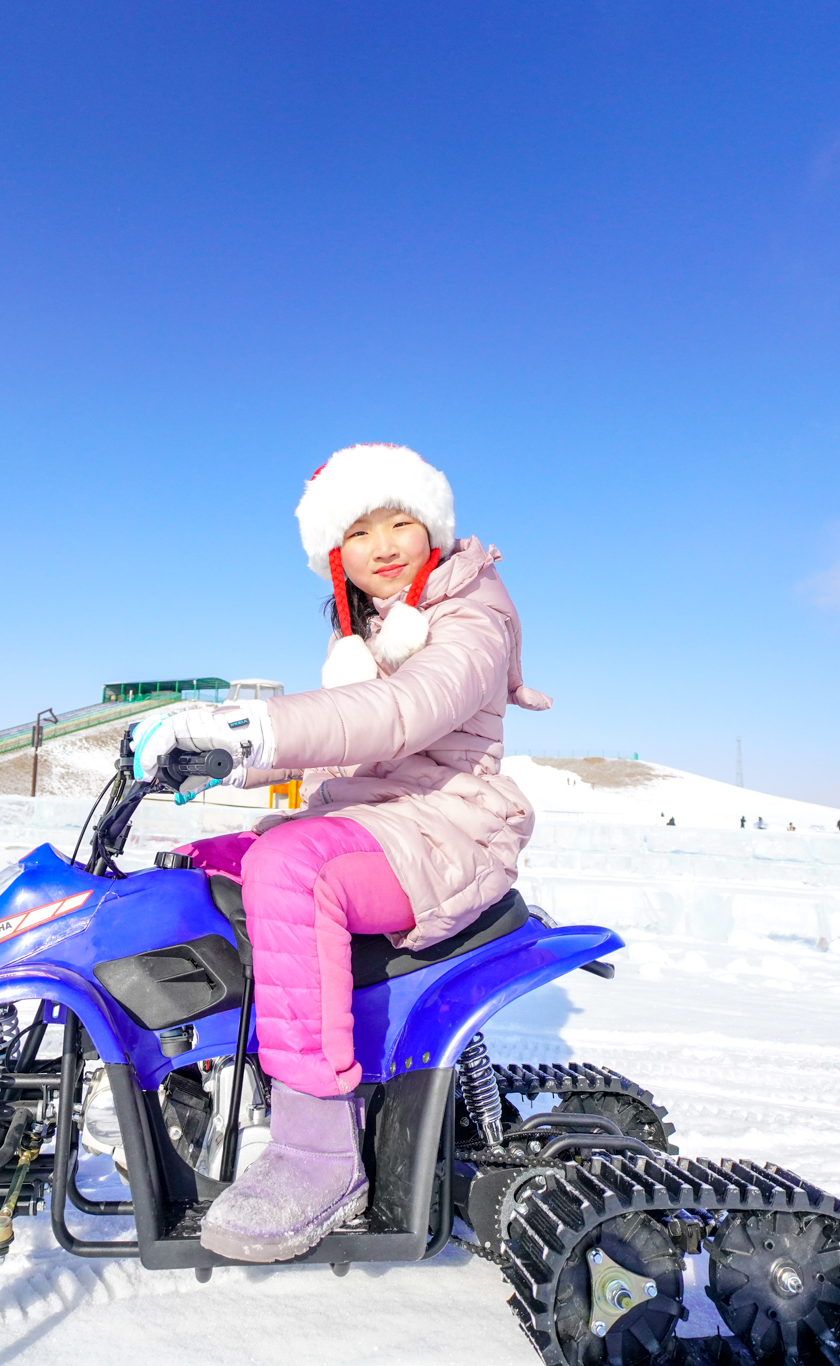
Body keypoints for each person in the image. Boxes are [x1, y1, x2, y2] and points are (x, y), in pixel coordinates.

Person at [128, 443, 549, 1263]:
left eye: (403, 522)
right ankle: (199, 1092)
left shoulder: (473, 614)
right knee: (199, 867)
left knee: (293, 868)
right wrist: (211, 759)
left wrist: (251, 729)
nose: (385, 544)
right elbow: (339, 748)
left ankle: (317, 1151)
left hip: (448, 831)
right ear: (335, 554)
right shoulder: (373, 634)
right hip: (381, 822)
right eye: (360, 531)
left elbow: (404, 713)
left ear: (433, 530)